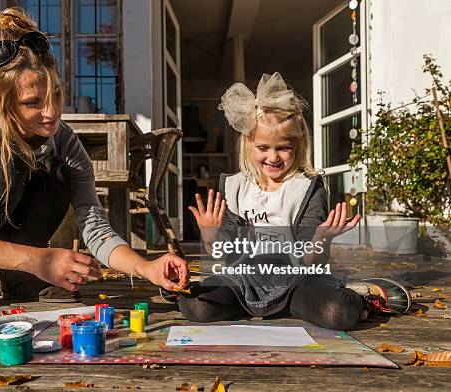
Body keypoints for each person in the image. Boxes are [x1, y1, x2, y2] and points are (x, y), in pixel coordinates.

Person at [0, 8, 188, 319]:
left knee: (55, 173)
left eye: (56, 95)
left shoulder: (64, 139)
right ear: (3, 101)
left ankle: (23, 281)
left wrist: (145, 266)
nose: (51, 112)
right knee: (13, 160)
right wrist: (37, 259)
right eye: (32, 103)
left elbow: (95, 228)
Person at [164, 73, 411, 330]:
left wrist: (321, 240)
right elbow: (227, 255)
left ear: (298, 144)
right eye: (263, 148)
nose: (273, 157)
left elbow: (310, 260)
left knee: (338, 312)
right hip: (243, 279)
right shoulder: (234, 187)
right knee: (196, 306)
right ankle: (185, 286)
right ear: (248, 144)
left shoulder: (307, 188)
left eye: (283, 147)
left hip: (297, 280)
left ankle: (364, 297)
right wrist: (210, 237)